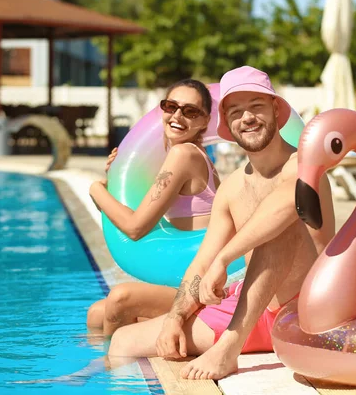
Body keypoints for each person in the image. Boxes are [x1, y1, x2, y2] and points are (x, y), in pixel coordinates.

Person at [106, 66, 336, 380]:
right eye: (236, 111)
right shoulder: (232, 188)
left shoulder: (305, 166)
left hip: (304, 312)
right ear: (226, 122)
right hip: (251, 308)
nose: (248, 118)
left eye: (256, 107)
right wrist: (175, 317)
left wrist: (225, 259)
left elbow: (280, 211)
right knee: (123, 341)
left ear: (277, 110)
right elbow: (202, 262)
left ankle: (229, 346)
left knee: (280, 228)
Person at [87, 78, 222, 338]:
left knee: (120, 298)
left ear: (205, 121)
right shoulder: (184, 154)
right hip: (182, 274)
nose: (178, 116)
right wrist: (115, 177)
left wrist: (96, 189)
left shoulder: (184, 155)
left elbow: (135, 228)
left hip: (199, 282)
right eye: (171, 106)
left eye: (191, 111)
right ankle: (117, 358)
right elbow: (133, 217)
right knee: (96, 314)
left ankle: (111, 369)